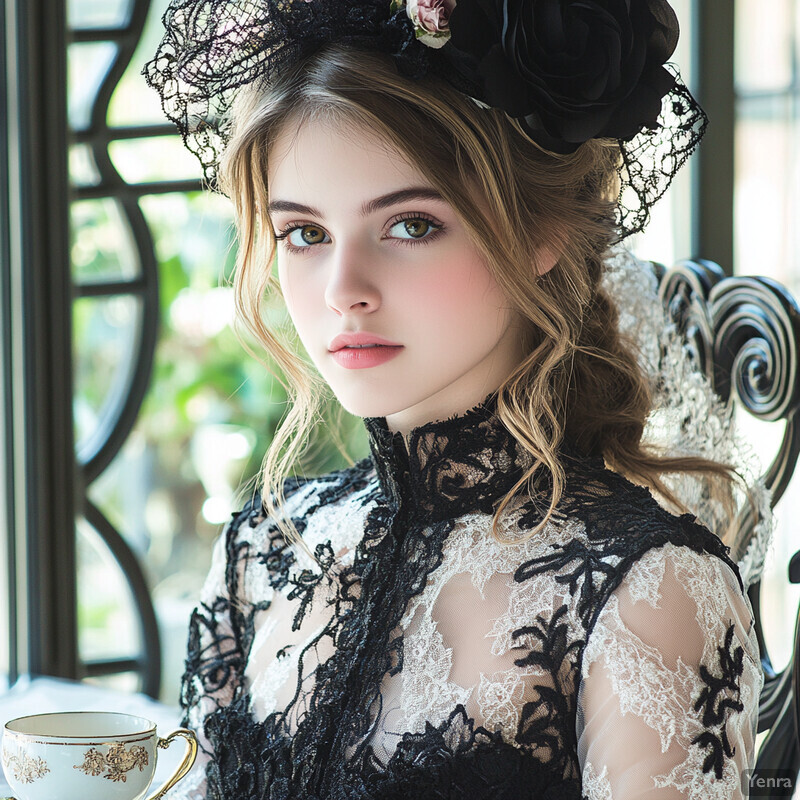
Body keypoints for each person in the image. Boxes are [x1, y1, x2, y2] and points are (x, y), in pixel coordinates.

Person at [144, 2, 765, 798]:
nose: (344, 293)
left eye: (409, 225)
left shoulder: (650, 592)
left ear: (540, 229)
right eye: (304, 234)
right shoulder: (264, 551)